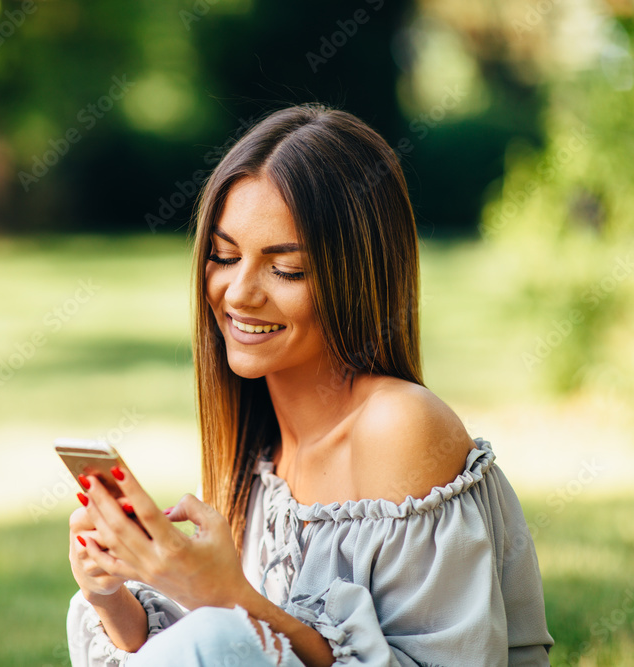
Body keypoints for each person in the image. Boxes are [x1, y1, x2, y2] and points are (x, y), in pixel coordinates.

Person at [65, 104, 554, 666]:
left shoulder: (401, 427)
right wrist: (114, 596)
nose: (239, 292)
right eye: (224, 256)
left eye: (286, 269)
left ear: (358, 273)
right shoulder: (261, 446)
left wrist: (228, 598)